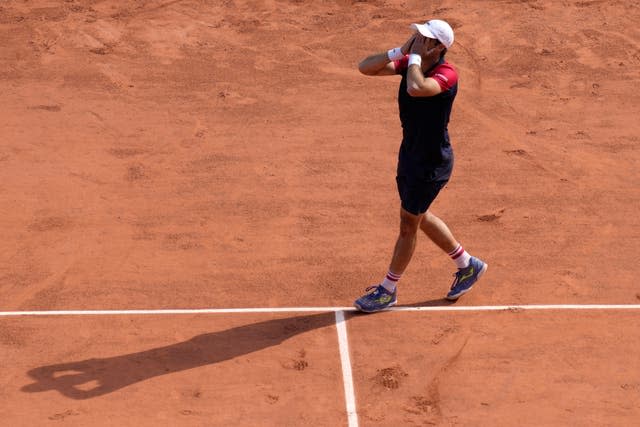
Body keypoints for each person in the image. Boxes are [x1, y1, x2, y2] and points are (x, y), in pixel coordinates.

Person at [354, 19, 488, 313]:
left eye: (423, 37)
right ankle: (468, 264)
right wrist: (399, 51)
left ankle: (388, 290)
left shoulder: (446, 73)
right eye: (417, 33)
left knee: (408, 224)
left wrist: (411, 58)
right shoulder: (410, 61)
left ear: (438, 47)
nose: (416, 37)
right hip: (411, 154)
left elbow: (417, 88)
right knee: (418, 215)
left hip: (431, 162)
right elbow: (365, 67)